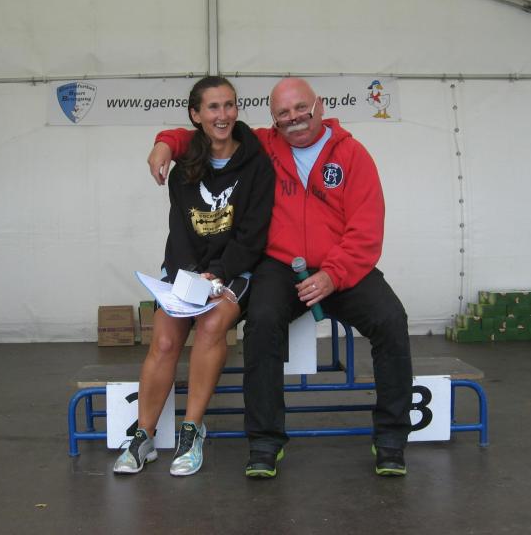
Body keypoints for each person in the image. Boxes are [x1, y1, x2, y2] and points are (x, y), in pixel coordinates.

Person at [149, 77, 413, 478]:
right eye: (283, 113)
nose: (294, 118)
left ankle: (391, 439)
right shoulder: (263, 145)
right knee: (261, 323)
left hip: (342, 267)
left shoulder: (353, 155)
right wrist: (165, 143)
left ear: (319, 106)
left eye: (301, 108)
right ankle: (265, 442)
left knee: (391, 320)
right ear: (273, 119)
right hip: (280, 266)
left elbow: (367, 229)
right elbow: (209, 134)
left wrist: (333, 275)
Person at [114, 76, 274, 477]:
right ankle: (143, 435)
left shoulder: (257, 162)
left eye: (229, 105)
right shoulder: (184, 165)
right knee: (165, 340)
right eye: (213, 107)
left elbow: (252, 234)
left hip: (232, 269)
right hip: (185, 267)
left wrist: (216, 274)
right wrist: (188, 274)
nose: (223, 115)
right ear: (196, 115)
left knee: (211, 327)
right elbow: (180, 228)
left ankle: (192, 430)